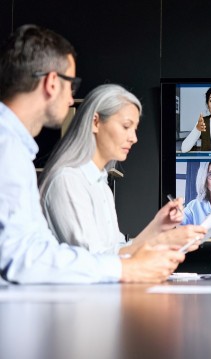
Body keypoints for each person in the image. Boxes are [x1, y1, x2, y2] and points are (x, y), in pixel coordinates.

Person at [0, 24, 194, 284]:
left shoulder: (19, 149)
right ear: (52, 82)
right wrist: (130, 267)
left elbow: (44, 251)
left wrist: (156, 234)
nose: (71, 100)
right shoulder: (11, 149)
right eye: (72, 85)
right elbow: (26, 258)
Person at [38, 84, 207, 255]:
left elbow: (118, 250)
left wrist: (159, 227)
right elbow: (93, 261)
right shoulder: (68, 180)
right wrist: (163, 240)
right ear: (95, 122)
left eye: (135, 129)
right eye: (126, 126)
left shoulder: (101, 185)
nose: (134, 138)